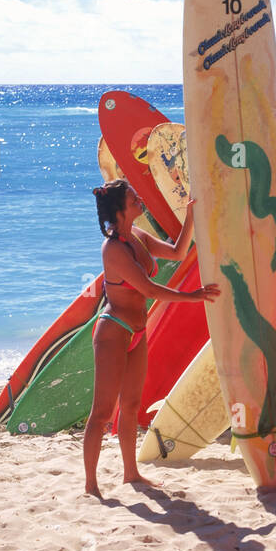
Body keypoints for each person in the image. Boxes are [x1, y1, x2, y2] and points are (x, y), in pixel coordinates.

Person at [83, 180, 221, 496]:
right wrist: (194, 296)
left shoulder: (138, 237)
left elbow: (177, 251)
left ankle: (130, 473)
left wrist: (190, 217)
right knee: (103, 412)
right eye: (134, 198)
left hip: (137, 331)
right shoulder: (113, 248)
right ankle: (91, 485)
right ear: (120, 209)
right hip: (113, 331)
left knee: (131, 405)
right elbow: (148, 289)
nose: (139, 199)